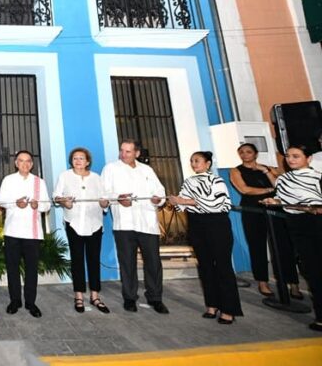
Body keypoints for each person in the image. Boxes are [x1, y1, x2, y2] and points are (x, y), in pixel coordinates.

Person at [168, 151, 242, 324]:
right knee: (205, 266)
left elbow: (217, 203)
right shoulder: (189, 181)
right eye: (192, 161)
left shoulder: (217, 181)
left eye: (197, 161)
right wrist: (174, 201)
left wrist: (185, 201)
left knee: (223, 266)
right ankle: (212, 304)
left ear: (208, 163)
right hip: (196, 225)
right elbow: (181, 205)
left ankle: (229, 309)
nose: (194, 164)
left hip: (217, 225)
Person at [101, 139, 168, 314]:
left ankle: (155, 298)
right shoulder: (110, 169)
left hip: (147, 223)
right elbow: (104, 193)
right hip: (124, 224)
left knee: (153, 263)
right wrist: (118, 198)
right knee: (127, 263)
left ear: (137, 153)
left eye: (128, 151)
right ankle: (130, 298)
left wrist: (157, 199)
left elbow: (160, 192)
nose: (123, 154)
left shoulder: (147, 170)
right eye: (122, 151)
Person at [229, 143, 301, 298]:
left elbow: (280, 184)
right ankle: (262, 281)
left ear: (255, 154)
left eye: (248, 152)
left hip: (275, 209)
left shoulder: (267, 168)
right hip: (253, 209)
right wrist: (268, 191)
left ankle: (292, 283)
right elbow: (244, 189)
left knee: (283, 245)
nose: (245, 154)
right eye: (241, 152)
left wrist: (267, 172)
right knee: (257, 245)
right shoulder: (236, 170)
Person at [263, 145, 322, 332]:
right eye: (288, 156)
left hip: (317, 223)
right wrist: (274, 201)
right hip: (296, 225)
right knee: (312, 270)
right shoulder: (284, 179)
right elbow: (283, 199)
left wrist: (313, 208)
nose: (291, 159)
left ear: (309, 158)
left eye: (296, 156)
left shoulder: (318, 177)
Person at [53, 147, 110, 314]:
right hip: (74, 223)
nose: (78, 161)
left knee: (94, 259)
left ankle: (95, 296)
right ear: (71, 161)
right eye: (75, 158)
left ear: (88, 161)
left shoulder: (96, 178)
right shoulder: (65, 176)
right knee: (77, 260)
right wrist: (64, 202)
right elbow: (56, 195)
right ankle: (78, 296)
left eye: (81, 158)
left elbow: (105, 199)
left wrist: (105, 203)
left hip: (95, 224)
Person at [0, 150, 51, 318]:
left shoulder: (39, 182)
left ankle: (30, 302)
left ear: (32, 164)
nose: (25, 164)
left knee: (31, 269)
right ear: (16, 163)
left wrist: (37, 206)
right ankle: (15, 300)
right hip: (12, 230)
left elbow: (47, 205)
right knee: (12, 268)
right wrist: (15, 203)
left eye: (28, 161)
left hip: (32, 232)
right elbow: (1, 201)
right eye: (21, 161)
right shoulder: (8, 180)